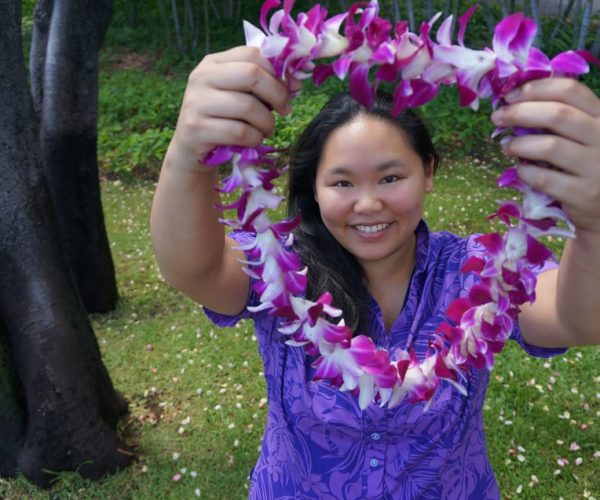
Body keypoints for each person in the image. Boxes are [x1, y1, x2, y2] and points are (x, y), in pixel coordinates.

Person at [150, 46, 600, 498]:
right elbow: (196, 271)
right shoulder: (283, 269)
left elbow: (575, 317)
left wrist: (596, 219)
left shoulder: (478, 271)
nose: (368, 204)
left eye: (390, 178)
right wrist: (188, 155)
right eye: (343, 183)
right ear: (316, 189)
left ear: (427, 172)